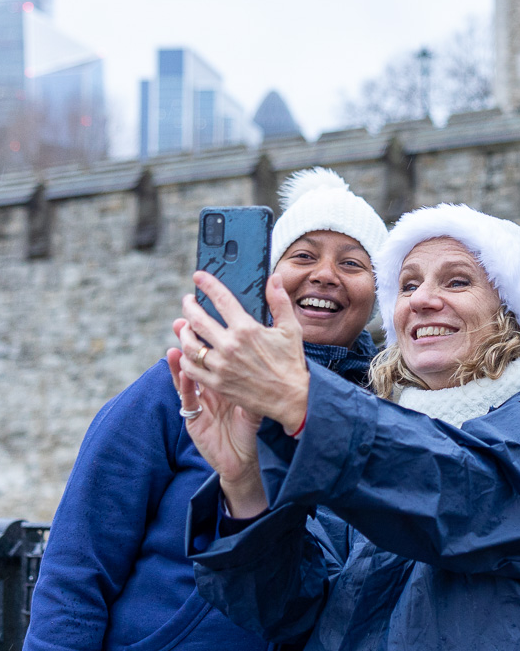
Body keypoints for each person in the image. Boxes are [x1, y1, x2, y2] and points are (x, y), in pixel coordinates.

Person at [173, 203, 520, 651]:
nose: (421, 300)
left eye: (457, 281)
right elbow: (287, 609)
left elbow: (459, 493)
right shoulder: (372, 448)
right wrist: (245, 484)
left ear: (513, 313)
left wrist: (304, 401)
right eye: (407, 285)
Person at [24, 167, 387, 651]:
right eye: (303, 255)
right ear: (269, 277)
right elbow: (78, 562)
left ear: (377, 291)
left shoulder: (390, 413)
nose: (325, 274)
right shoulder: (184, 383)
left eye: (352, 263)